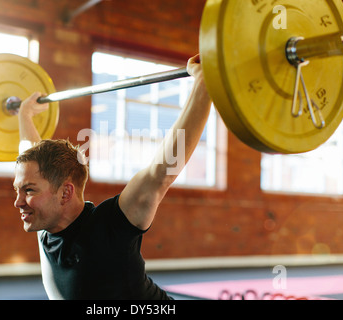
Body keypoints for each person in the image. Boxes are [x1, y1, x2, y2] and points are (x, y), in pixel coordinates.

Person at [13, 54, 211, 299]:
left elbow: (162, 172)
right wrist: (24, 115)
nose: (18, 201)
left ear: (65, 192)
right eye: (18, 189)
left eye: (29, 191)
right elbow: (30, 155)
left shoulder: (110, 227)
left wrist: (204, 82)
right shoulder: (46, 224)